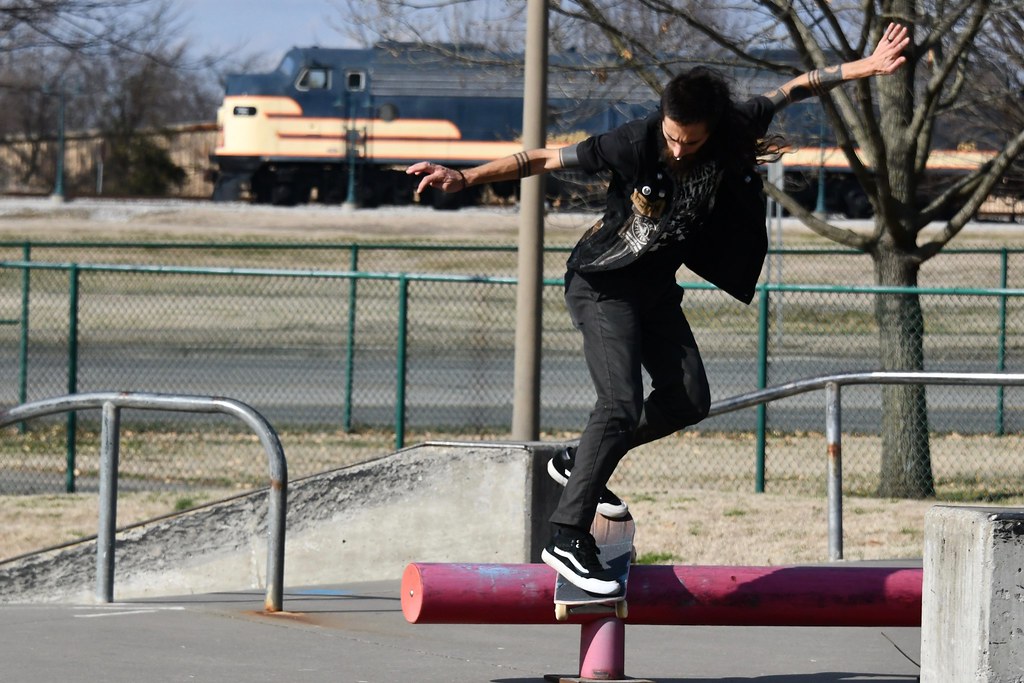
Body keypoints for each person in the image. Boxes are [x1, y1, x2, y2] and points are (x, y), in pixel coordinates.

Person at [407, 23, 910, 595]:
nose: (675, 150)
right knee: (619, 402)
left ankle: (579, 459)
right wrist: (466, 175)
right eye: (671, 137)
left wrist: (865, 67)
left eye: (689, 142)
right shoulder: (632, 141)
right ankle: (565, 533)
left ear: (713, 128)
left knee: (689, 399)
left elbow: (796, 87)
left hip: (653, 287)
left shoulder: (737, 123)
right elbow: (544, 157)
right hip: (601, 283)